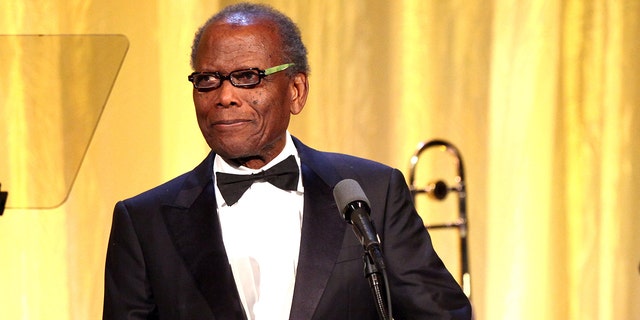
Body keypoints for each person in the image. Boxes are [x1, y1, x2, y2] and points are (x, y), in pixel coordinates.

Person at [103, 2, 472, 319]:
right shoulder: (144, 223)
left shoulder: (372, 193)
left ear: (296, 91)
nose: (225, 96)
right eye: (208, 80)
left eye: (247, 77)